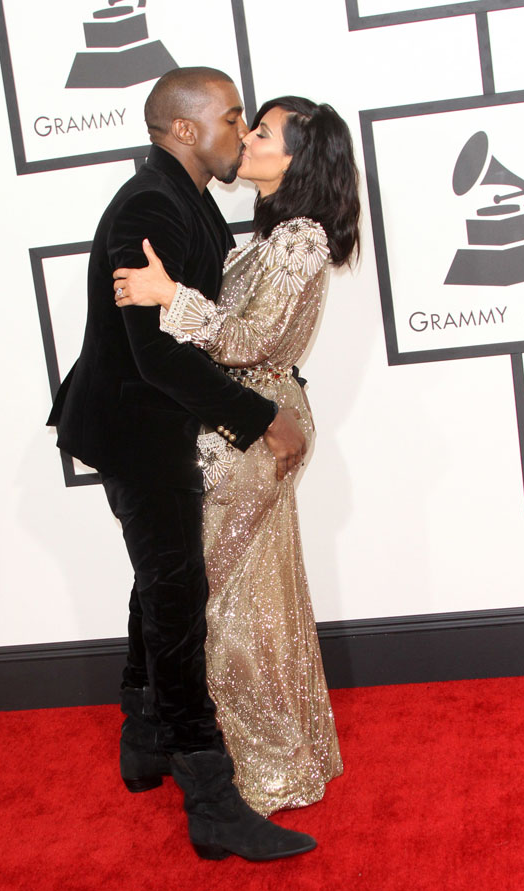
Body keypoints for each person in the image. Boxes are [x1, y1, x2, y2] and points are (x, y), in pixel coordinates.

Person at [47, 68, 317, 862]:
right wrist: (263, 420)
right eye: (235, 118)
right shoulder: (151, 207)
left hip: (149, 426)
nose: (243, 130)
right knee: (177, 597)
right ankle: (211, 801)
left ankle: (142, 739)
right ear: (187, 130)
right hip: (137, 432)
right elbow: (160, 358)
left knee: (159, 579)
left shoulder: (186, 198)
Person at [112, 95, 360, 815]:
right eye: (246, 126)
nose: (245, 138)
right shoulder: (272, 234)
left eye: (261, 131)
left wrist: (170, 298)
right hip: (244, 429)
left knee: (220, 605)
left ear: (297, 159)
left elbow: (251, 344)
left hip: (247, 436)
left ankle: (263, 765)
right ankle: (275, 754)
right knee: (248, 596)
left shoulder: (300, 239)